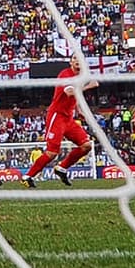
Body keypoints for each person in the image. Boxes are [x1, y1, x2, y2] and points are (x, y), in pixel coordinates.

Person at [22, 55, 99, 188]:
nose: (77, 61)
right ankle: (27, 176)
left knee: (86, 145)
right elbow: (70, 92)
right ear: (71, 62)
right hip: (56, 116)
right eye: (75, 59)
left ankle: (62, 168)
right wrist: (88, 86)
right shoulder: (65, 74)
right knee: (52, 152)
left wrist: (79, 110)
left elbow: (75, 96)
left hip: (68, 119)